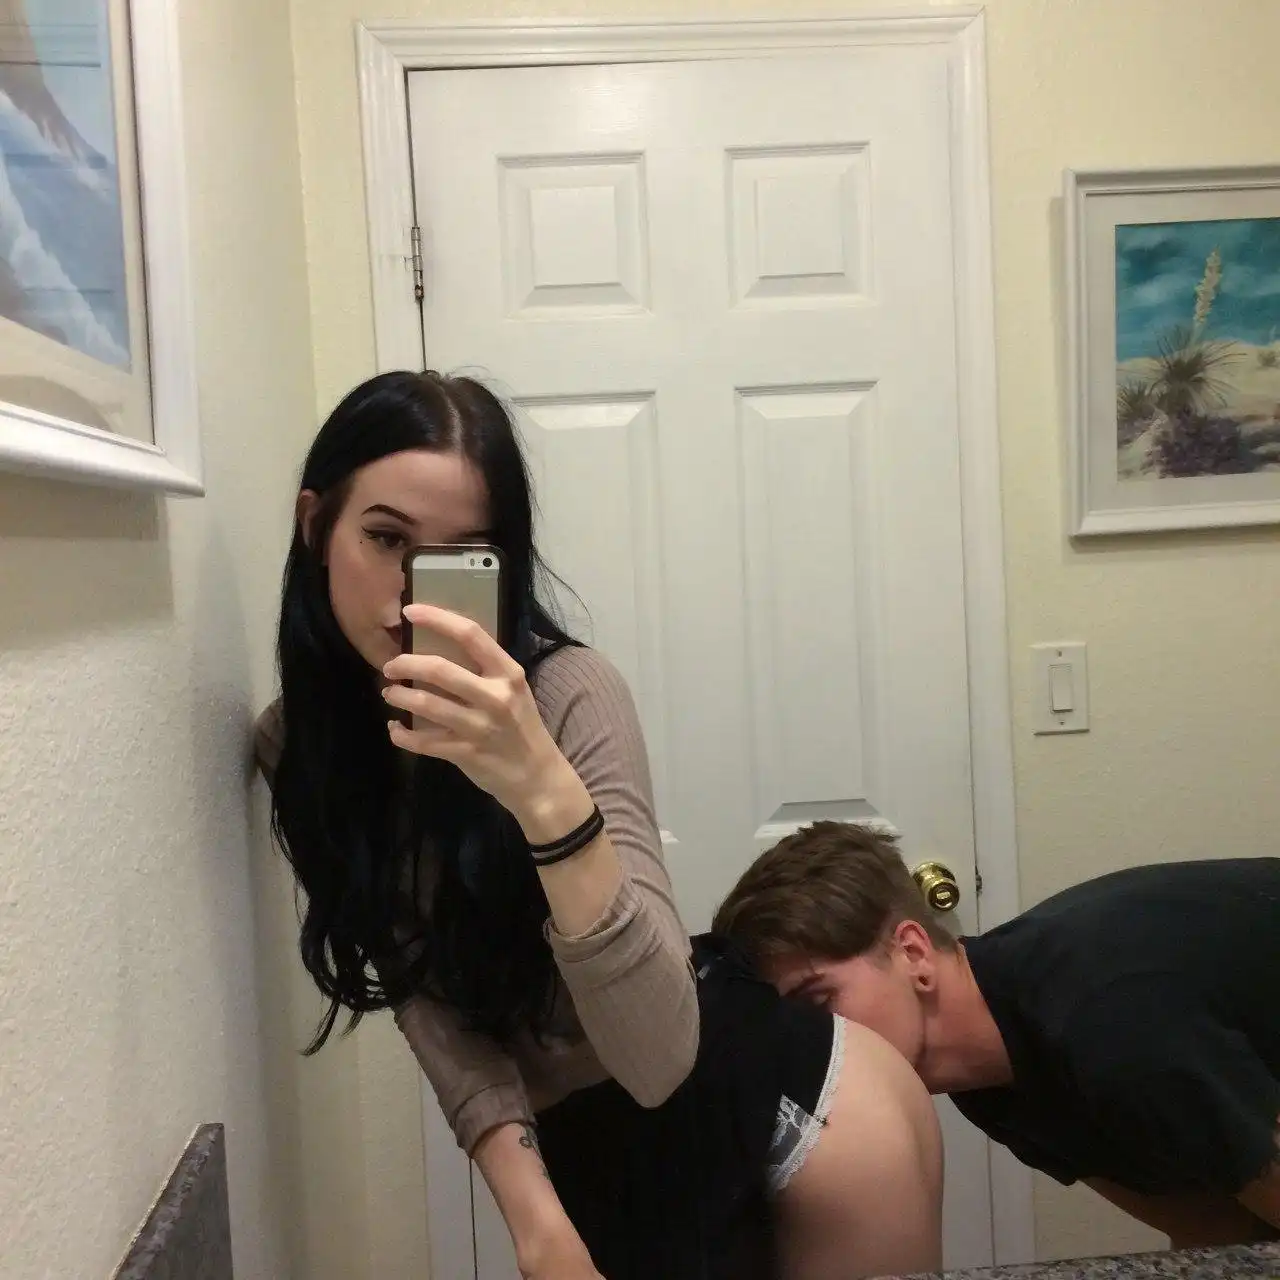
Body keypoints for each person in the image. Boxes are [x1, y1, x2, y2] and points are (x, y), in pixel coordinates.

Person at [255, 370, 943, 1280]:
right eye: (386, 539)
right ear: (315, 527)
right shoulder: (301, 747)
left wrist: (541, 788)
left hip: (798, 1117)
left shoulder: (571, 696)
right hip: (596, 1151)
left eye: (462, 558)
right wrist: (532, 1217)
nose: (410, 599)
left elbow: (658, 1060)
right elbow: (423, 995)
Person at [712, 820, 1280, 1252]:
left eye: (816, 1002)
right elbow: (1216, 1237)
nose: (806, 1042)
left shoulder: (1107, 1026)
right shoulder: (988, 1082)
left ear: (913, 953)